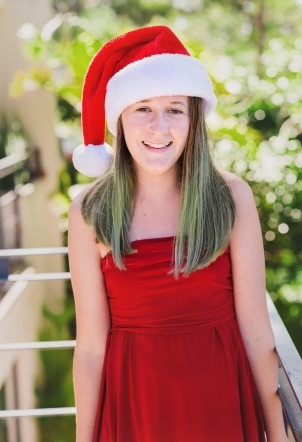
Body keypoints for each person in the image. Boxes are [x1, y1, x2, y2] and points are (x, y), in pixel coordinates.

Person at [68, 25, 289, 442]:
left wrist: (277, 434)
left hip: (219, 401)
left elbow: (258, 333)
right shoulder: (89, 211)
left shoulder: (230, 197)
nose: (159, 127)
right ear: (119, 119)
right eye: (143, 109)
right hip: (134, 406)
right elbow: (92, 347)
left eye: (174, 109)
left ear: (193, 121)